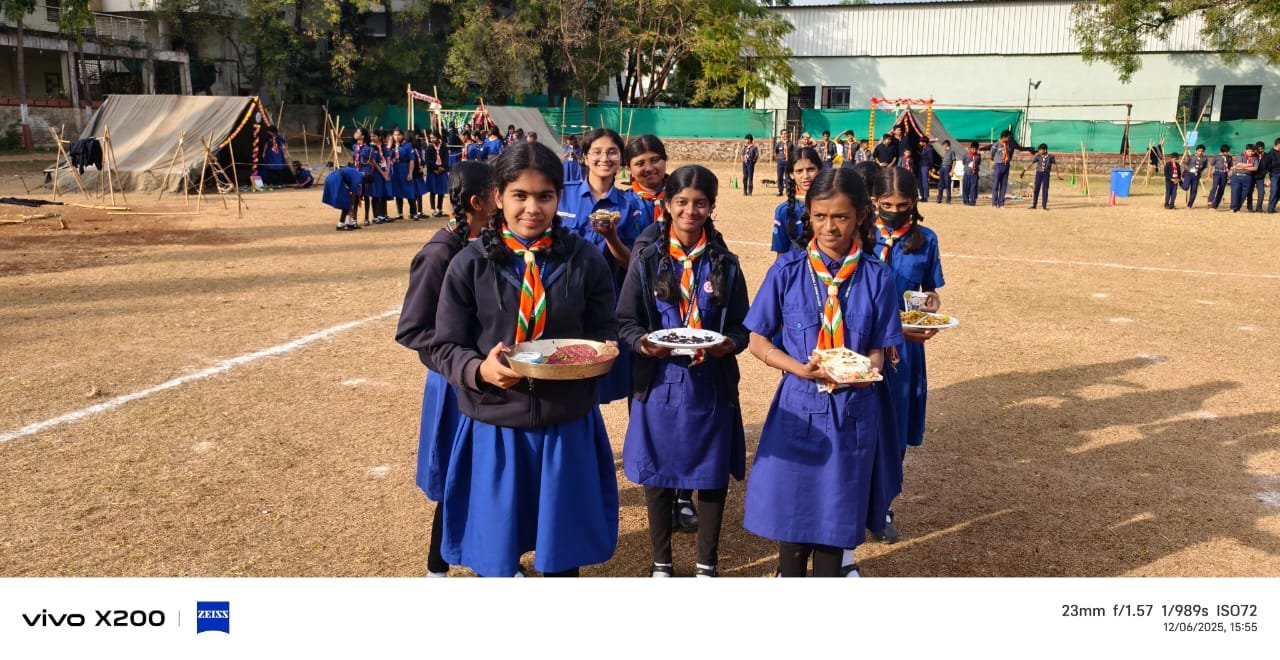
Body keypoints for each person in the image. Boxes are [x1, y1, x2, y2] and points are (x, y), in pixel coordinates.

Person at [429, 142, 620, 578]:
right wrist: (478, 369)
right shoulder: (469, 263)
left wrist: (600, 354)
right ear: (498, 196)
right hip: (496, 427)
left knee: (561, 558)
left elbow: (605, 329)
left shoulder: (584, 260)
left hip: (565, 426)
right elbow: (444, 345)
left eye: (545, 196)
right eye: (520, 195)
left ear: (559, 197)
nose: (533, 208)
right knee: (497, 558)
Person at [741, 167, 903, 577]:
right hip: (798, 409)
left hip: (853, 412)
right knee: (793, 519)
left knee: (835, 521)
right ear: (808, 215)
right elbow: (757, 339)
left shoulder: (878, 277)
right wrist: (798, 368)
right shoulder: (787, 271)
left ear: (860, 216)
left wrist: (864, 369)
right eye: (820, 216)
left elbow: (878, 350)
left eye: (841, 217)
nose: (830, 227)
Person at [618, 165, 749, 578]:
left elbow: (742, 325)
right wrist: (643, 343)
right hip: (658, 383)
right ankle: (661, 564)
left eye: (700, 203)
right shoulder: (647, 259)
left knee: (711, 474)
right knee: (657, 473)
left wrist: (731, 343)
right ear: (667, 204)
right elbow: (626, 321)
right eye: (682, 202)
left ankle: (706, 564)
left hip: (710, 384)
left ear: (712, 206)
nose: (691, 211)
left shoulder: (726, 263)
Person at [395, 160, 495, 578]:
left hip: (489, 378)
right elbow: (413, 329)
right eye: (498, 190)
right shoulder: (439, 254)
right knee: (458, 478)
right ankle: (437, 569)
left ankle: (495, 559)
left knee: (489, 475)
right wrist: (462, 363)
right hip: (454, 384)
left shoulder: (491, 242)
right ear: (477, 202)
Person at [869, 167, 944, 544]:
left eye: (903, 205)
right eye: (887, 205)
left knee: (896, 427)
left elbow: (931, 292)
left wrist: (930, 302)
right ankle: (856, 496)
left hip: (905, 348)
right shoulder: (861, 235)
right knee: (863, 420)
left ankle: (883, 503)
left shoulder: (925, 239)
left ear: (914, 202)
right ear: (873, 201)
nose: (895, 211)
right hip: (864, 341)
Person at [558, 128, 644, 406]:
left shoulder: (631, 204)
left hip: (607, 299)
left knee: (601, 367)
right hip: (563, 295)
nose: (604, 158)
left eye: (612, 152)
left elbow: (632, 262)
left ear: (621, 159)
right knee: (563, 365)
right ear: (584, 157)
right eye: (596, 152)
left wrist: (611, 237)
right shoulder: (562, 194)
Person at [772, 147, 821, 260]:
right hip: (796, 269)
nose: (805, 176)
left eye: (810, 169)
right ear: (791, 174)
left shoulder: (832, 207)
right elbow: (781, 255)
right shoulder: (783, 210)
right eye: (799, 171)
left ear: (819, 170)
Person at [321, 165, 364, 232]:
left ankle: (350, 223)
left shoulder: (359, 174)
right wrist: (351, 207)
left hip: (333, 177)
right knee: (346, 202)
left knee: (348, 202)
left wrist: (351, 206)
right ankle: (340, 225)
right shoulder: (358, 179)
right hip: (335, 179)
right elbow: (353, 194)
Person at [1020, 143, 1061, 211]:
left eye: (1040, 150)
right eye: (1039, 150)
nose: (1039, 151)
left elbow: (1054, 165)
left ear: (1045, 150)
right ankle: (1034, 205)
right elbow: (1031, 163)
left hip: (1046, 174)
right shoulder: (1038, 156)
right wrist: (1023, 171)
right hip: (1038, 174)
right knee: (1036, 189)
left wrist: (1058, 175)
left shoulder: (1051, 156)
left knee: (1045, 189)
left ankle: (1044, 206)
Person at [424, 131, 450, 218]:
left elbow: (446, 159)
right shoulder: (429, 148)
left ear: (438, 138)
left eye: (434, 138)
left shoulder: (444, 147)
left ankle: (440, 209)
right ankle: (433, 209)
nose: (432, 139)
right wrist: (435, 168)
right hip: (432, 172)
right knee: (433, 191)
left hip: (442, 171)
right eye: (431, 138)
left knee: (441, 191)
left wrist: (443, 168)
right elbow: (428, 161)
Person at [1229, 144, 1257, 213]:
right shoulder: (1240, 156)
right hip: (1237, 176)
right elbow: (1238, 164)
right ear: (1245, 150)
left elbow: (1255, 168)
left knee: (1244, 194)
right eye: (1249, 151)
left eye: (1252, 151)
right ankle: (1233, 208)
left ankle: (1237, 208)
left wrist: (1242, 167)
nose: (1250, 153)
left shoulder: (1255, 158)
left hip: (1247, 177)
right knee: (1235, 192)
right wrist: (1250, 165)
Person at [990, 130, 1015, 208]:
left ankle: (1001, 203)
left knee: (1004, 185)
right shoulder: (996, 144)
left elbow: (1010, 153)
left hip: (1006, 165)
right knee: (996, 184)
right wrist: (994, 161)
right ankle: (994, 203)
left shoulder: (1008, 145)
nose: (1009, 139)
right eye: (1008, 137)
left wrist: (1008, 160)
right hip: (998, 165)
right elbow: (992, 154)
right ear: (1004, 137)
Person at [1209, 144, 1233, 211]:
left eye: (1228, 151)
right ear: (1222, 151)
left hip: (1224, 174)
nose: (1227, 153)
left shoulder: (1229, 157)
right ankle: (1210, 200)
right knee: (1215, 186)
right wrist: (1208, 175)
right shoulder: (1216, 157)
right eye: (1226, 151)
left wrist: (1230, 174)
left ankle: (1214, 206)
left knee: (1221, 189)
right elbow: (1211, 165)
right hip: (1217, 173)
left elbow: (1230, 166)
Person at [775, 129, 795, 196]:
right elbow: (776, 152)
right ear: (781, 135)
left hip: (788, 162)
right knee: (779, 177)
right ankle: (780, 191)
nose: (785, 135)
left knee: (787, 177)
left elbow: (793, 152)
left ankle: (788, 191)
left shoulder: (790, 143)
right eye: (783, 134)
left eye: (786, 133)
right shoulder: (779, 143)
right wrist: (778, 158)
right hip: (780, 162)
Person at [961, 141, 981, 206]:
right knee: (966, 187)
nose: (974, 150)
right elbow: (963, 162)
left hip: (974, 174)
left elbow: (979, 163)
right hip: (967, 173)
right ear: (970, 148)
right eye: (973, 149)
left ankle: (973, 201)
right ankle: (966, 201)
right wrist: (968, 166)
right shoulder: (966, 155)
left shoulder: (978, 156)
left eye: (976, 149)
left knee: (973, 187)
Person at [915, 138, 934, 202]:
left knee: (925, 182)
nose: (920, 143)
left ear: (924, 142)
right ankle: (922, 196)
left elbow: (931, 159)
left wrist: (930, 167)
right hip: (921, 165)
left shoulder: (929, 149)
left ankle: (925, 197)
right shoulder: (923, 148)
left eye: (921, 142)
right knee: (920, 182)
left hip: (925, 166)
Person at [1252, 141, 1268, 212]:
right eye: (1258, 149)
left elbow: (1270, 166)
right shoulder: (1253, 155)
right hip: (1251, 176)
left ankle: (1259, 207)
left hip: (1260, 178)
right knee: (1249, 191)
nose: (1260, 150)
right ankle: (1249, 206)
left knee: (1261, 192)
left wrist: (1266, 173)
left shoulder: (1267, 156)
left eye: (1262, 148)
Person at [1267, 138, 1280, 213]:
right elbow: (1271, 165)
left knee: (1279, 192)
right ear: (1278, 144)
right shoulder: (1271, 153)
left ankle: (1273, 206)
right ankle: (1270, 209)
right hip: (1274, 174)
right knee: (1274, 191)